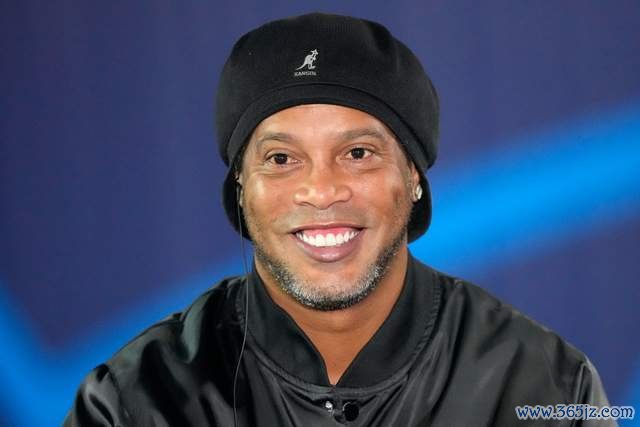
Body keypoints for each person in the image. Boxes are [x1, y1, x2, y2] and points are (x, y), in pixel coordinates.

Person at [64, 13, 615, 426]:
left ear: (414, 175)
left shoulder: (547, 388)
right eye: (281, 159)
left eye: (358, 153)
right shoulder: (137, 402)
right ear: (240, 187)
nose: (322, 190)